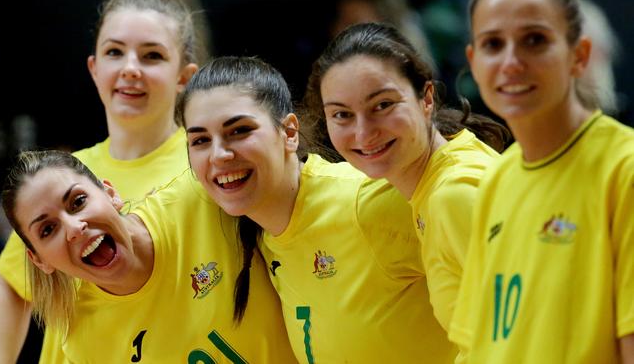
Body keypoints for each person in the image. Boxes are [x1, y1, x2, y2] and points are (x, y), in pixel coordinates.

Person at [177, 55, 457, 363]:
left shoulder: (363, 203)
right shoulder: (263, 237)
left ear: (289, 133)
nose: (219, 155)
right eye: (200, 140)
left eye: (240, 130)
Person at [0, 0, 201, 362]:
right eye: (114, 52)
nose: (130, 68)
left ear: (184, 76)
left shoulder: (208, 162)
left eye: (152, 56)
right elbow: (9, 284)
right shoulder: (62, 178)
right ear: (94, 68)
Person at [448, 0, 634, 362]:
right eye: (493, 44)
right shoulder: (498, 177)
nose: (511, 62)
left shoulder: (623, 170)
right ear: (473, 61)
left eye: (534, 40)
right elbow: (479, 346)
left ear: (578, 55)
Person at [302, 22, 509, 333]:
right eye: (342, 114)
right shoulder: (442, 170)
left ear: (426, 98)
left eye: (382, 105)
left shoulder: (453, 193)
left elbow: (536, 325)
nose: (363, 133)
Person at [0, 149, 295, 362]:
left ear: (109, 193)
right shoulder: (84, 341)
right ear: (39, 260)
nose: (75, 228)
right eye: (48, 229)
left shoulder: (201, 199)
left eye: (78, 202)